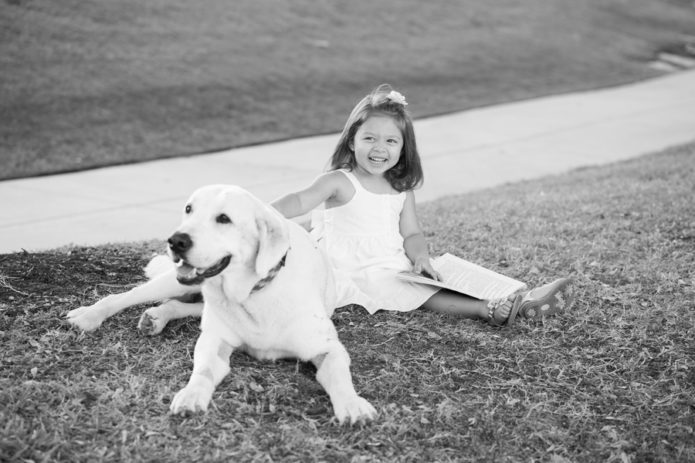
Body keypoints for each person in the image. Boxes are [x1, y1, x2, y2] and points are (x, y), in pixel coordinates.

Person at [271, 84, 572, 326]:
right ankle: (485, 309)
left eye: (391, 141)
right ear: (352, 141)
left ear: (403, 149)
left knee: (437, 274)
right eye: (370, 138)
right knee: (418, 291)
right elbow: (300, 200)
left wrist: (420, 259)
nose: (379, 148)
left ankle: (522, 298)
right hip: (350, 266)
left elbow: (412, 234)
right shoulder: (339, 180)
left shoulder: (400, 190)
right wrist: (262, 212)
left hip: (391, 261)